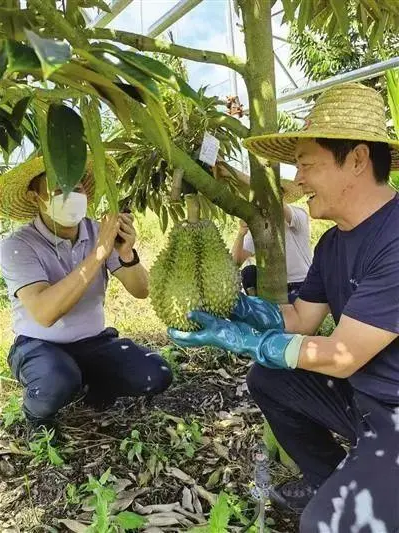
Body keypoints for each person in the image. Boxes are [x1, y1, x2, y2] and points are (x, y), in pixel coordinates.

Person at [168, 83, 399, 532]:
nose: (298, 181)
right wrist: (241, 311)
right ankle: (332, 480)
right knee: (270, 378)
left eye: (307, 166)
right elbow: (300, 319)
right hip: (363, 399)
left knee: (321, 526)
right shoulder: (333, 243)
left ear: (356, 159)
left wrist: (253, 342)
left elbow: (341, 355)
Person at [0, 156, 172, 436]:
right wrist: (99, 253)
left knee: (156, 373)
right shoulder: (18, 246)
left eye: (76, 188)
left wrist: (126, 255)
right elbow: (45, 313)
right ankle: (36, 412)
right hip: (38, 345)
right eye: (57, 191)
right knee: (56, 381)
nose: (70, 196)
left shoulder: (97, 232)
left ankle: (92, 384)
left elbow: (142, 290)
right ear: (35, 198)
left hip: (94, 342)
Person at [231, 179, 312, 302]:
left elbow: (273, 198)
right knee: (249, 273)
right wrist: (241, 233)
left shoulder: (298, 215)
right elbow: (235, 262)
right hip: (274, 286)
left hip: (300, 283)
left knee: (288, 315)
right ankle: (258, 307)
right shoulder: (259, 226)